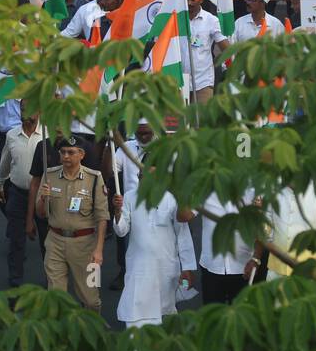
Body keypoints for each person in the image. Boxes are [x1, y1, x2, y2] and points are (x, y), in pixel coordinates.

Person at [36, 136, 109, 313]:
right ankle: (60, 336)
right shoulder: (49, 175)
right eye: (63, 152)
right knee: (56, 297)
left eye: (71, 152)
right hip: (55, 242)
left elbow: (102, 217)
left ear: (81, 154)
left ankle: (93, 332)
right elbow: (40, 213)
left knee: (91, 300)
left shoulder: (94, 178)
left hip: (86, 245)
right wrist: (43, 198)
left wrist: (99, 250)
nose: (66, 156)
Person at [111, 182, 197, 327]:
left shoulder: (172, 198)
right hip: (138, 269)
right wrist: (118, 211)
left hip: (165, 269)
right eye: (143, 175)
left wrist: (187, 267)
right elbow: (121, 231)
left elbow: (183, 235)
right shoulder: (130, 197)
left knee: (165, 313)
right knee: (135, 311)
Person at [0, 101, 43, 287]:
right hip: (17, 194)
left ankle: (53, 283)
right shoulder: (12, 135)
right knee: (16, 241)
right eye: (22, 108)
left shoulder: (48, 135)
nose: (25, 112)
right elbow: (6, 161)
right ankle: (15, 282)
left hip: (42, 197)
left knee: (47, 242)